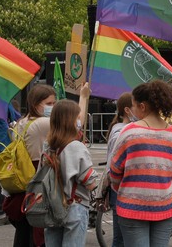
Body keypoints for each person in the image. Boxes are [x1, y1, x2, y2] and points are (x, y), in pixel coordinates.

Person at [109, 80, 172, 247]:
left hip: (131, 207)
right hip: (165, 206)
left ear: (142, 106)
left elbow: (114, 171)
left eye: (134, 106)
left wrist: (122, 188)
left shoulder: (129, 132)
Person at [5, 83, 56, 247]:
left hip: (21, 184)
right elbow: (75, 125)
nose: (53, 107)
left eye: (54, 103)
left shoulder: (22, 121)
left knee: (23, 234)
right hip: (37, 181)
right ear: (35, 104)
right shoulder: (41, 124)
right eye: (49, 104)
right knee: (36, 235)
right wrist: (83, 97)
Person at [44, 99, 98, 247]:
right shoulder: (76, 147)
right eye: (78, 118)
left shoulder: (48, 146)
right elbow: (89, 182)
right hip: (75, 206)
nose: (79, 121)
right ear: (71, 121)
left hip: (52, 206)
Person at [102, 92, 136, 247]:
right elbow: (113, 165)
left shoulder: (120, 128)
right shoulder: (120, 132)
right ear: (127, 110)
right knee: (121, 238)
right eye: (137, 106)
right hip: (120, 189)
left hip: (123, 189)